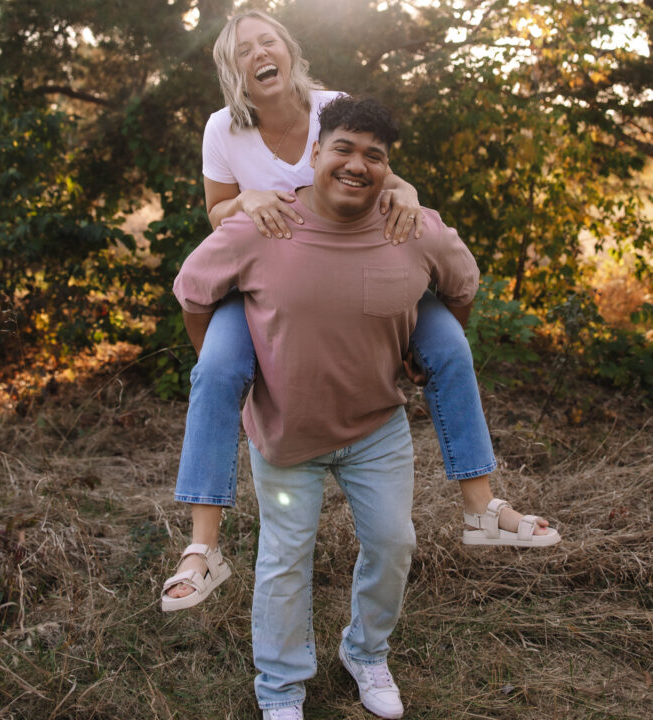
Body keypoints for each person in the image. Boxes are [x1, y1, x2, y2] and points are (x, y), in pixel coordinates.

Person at [161, 11, 559, 612]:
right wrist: (248, 198)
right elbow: (217, 213)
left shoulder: (334, 105)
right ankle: (203, 547)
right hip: (268, 284)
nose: (258, 53)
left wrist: (409, 195)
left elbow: (382, 173)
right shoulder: (224, 129)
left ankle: (481, 507)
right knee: (215, 371)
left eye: (268, 41)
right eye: (243, 50)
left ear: (289, 50)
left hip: (367, 268)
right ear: (232, 70)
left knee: (449, 345)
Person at [173, 96, 488, 719]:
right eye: (343, 148)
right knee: (284, 562)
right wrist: (228, 368)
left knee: (393, 544)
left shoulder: (411, 226)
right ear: (314, 154)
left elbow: (462, 286)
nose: (357, 165)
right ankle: (281, 689)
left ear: (389, 172)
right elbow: (192, 291)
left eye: (375, 156)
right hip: (289, 437)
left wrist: (422, 347)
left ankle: (366, 652)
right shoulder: (264, 226)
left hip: (377, 429)